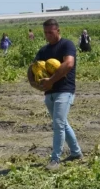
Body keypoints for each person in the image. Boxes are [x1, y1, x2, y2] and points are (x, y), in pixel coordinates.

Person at [27, 19, 83, 171]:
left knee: (58, 124)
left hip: (65, 90)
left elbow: (69, 64)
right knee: (63, 124)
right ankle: (76, 153)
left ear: (58, 31)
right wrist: (34, 83)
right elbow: (33, 68)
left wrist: (51, 80)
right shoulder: (43, 51)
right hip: (49, 93)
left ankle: (55, 159)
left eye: (50, 32)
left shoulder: (67, 45)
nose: (48, 35)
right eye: (45, 33)